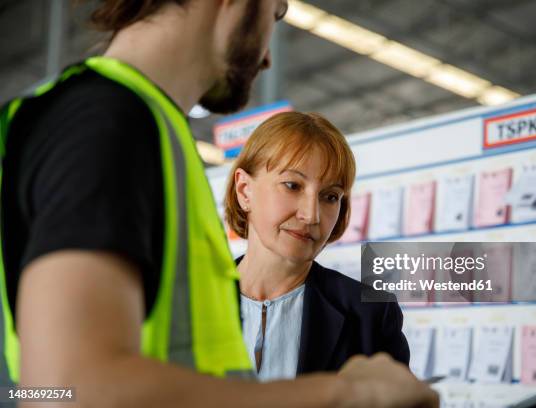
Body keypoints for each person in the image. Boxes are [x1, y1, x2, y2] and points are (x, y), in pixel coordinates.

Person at [0, 0, 438, 407]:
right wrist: (340, 394)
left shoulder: (142, 125)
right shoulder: (108, 121)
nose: (267, 57)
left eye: (330, 197)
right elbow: (64, 388)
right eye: (276, 12)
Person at [224, 111, 410, 381]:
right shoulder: (187, 304)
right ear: (244, 190)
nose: (311, 215)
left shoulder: (371, 315)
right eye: (292, 185)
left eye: (330, 196)